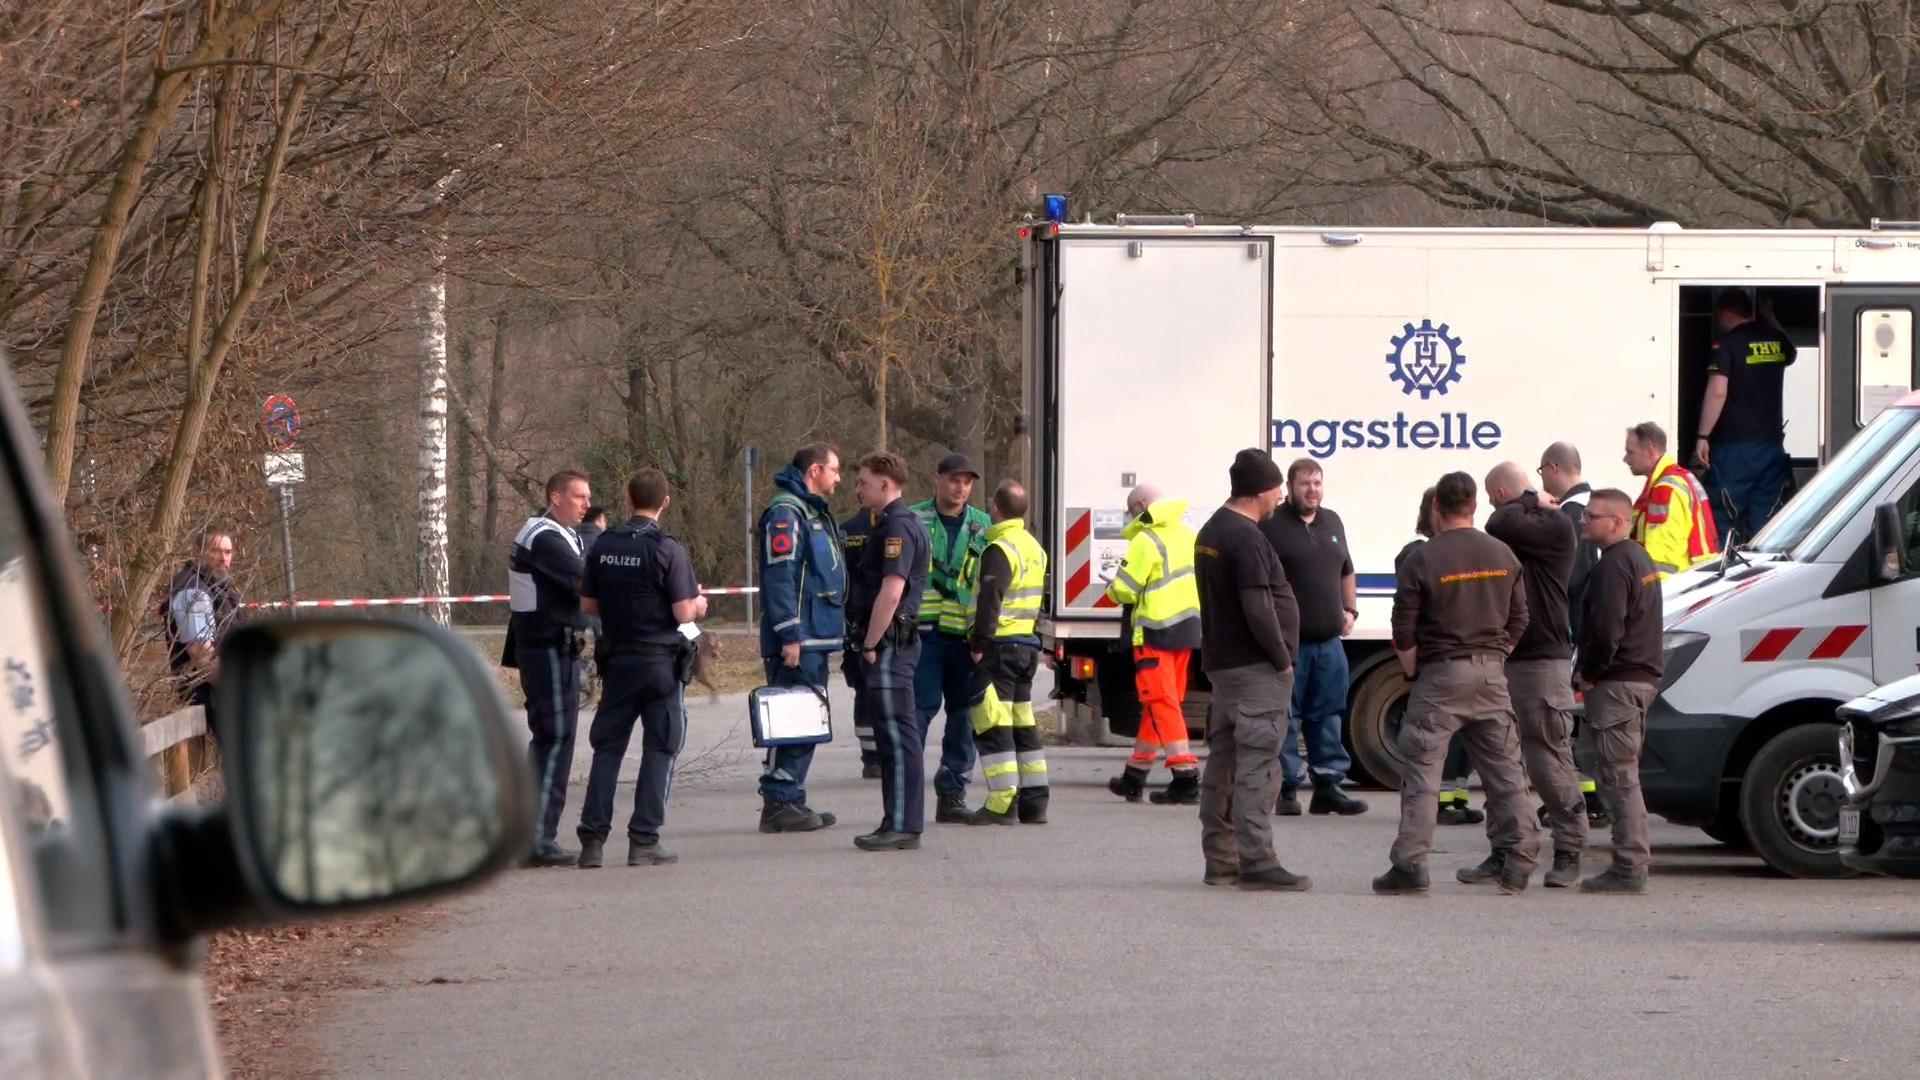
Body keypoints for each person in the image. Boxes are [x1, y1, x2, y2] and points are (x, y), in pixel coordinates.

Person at [1373, 471, 1541, 896]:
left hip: (1441, 674)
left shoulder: (1423, 558)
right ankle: (1520, 859)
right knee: (1506, 771)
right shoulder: (1503, 553)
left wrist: (1412, 667)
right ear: (1474, 506)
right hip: (1491, 673)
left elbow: (1403, 626)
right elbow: (1520, 617)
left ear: (1436, 507)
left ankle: (1411, 864)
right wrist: (1499, 653)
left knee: (1423, 772)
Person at [574, 469, 705, 868]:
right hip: (659, 662)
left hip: (617, 661)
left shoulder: (604, 544)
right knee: (660, 747)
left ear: (628, 499)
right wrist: (699, 605)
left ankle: (592, 841)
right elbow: (683, 612)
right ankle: (644, 839)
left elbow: (588, 604)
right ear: (665, 502)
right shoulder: (667, 548)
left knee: (608, 749)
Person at [1194, 449, 1312, 893]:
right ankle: (1258, 860)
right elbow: (1259, 607)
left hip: (1225, 666)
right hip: (1255, 669)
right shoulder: (1246, 538)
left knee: (1224, 766)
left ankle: (1221, 859)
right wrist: (1281, 659)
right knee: (1258, 768)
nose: (1280, 497)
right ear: (1261, 490)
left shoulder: (1212, 530)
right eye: (1277, 489)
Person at [1477, 462, 1587, 889]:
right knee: (1500, 759)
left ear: (1502, 494)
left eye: (1494, 498)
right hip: (1507, 656)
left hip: (1542, 659)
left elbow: (1498, 521)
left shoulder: (1555, 524)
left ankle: (1569, 848)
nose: (1492, 508)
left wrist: (1528, 499)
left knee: (1547, 758)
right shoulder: (1521, 526)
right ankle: (1505, 849)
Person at [1260, 459, 1366, 817]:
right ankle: (1287, 788)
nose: (1312, 490)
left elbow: (1346, 570)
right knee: (1287, 718)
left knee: (1328, 715)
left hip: (1329, 644)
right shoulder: (1271, 525)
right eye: (1305, 483)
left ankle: (1328, 787)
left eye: (1317, 483)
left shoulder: (1332, 521)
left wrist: (1350, 610)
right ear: (1290, 487)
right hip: (1289, 644)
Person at [1574, 489, 1666, 895]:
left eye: (1591, 516)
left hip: (1617, 682)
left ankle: (1629, 865)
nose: (1583, 521)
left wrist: (1588, 674)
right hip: (1638, 679)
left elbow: (1606, 630)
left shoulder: (1613, 565)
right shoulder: (1639, 559)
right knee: (1619, 771)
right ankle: (1630, 861)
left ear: (1616, 522)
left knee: (1618, 775)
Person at [755, 443, 848, 833]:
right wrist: (789, 633)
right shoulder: (786, 514)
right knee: (794, 720)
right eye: (834, 470)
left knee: (806, 719)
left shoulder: (811, 512)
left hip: (815, 635)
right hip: (799, 639)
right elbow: (781, 577)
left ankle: (791, 797)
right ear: (815, 470)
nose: (839, 478)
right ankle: (780, 802)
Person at [504, 469, 594, 866]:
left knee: (551, 739)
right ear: (556, 497)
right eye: (579, 496)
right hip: (547, 647)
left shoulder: (559, 533)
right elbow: (586, 583)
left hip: (549, 646)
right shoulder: (545, 538)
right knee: (554, 738)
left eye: (587, 496)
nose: (586, 504)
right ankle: (537, 840)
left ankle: (533, 834)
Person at [848, 452, 932, 852]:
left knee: (897, 737)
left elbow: (892, 592)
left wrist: (870, 641)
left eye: (864, 482)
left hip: (889, 645)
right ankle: (896, 820)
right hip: (893, 643)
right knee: (892, 735)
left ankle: (902, 824)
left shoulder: (897, 527)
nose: (858, 489)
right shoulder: (895, 524)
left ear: (885, 484)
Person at [1103, 484, 1204, 805]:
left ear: (1142, 505)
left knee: (1161, 701)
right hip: (1187, 631)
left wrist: (1112, 589)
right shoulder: (1188, 535)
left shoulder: (1146, 540)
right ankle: (1134, 775)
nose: (1131, 516)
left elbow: (1125, 589)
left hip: (1155, 633)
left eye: (1131, 510)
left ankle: (1185, 777)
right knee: (1159, 703)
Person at [959, 481, 1050, 825]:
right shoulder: (1034, 548)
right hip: (1025, 646)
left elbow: (990, 600)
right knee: (1023, 724)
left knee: (993, 724)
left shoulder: (999, 549)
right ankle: (1035, 802)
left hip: (999, 647)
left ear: (995, 508)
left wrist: (978, 644)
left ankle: (1001, 803)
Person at [911, 454, 993, 824]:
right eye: (954, 480)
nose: (960, 488)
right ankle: (907, 794)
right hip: (924, 636)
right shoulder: (914, 519)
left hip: (965, 639)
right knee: (917, 714)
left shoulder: (984, 525)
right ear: (937, 478)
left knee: (963, 717)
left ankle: (952, 794)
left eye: (967, 482)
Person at [1395, 490, 1481, 827]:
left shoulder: (1462, 553)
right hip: (1434, 655)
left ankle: (1455, 797)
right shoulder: (1415, 554)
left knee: (1462, 735)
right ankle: (1437, 803)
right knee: (1434, 736)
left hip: (1455, 656)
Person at [1538, 441, 1608, 826]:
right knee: (1580, 718)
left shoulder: (1570, 516)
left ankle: (1580, 801)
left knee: (1567, 719)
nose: (1542, 480)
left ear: (1553, 468)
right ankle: (1587, 797)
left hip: (1574, 632)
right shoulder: (1591, 509)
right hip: (1588, 632)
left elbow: (1570, 578)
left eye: (1542, 472)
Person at [1697, 289, 1796, 544]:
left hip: (1734, 448)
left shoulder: (1726, 344)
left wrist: (1703, 436)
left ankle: (1724, 567)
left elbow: (1717, 391)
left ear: (1722, 313)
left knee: (1723, 519)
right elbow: (1791, 353)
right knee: (1765, 522)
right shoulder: (1776, 340)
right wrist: (1769, 317)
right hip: (1771, 445)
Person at [164, 528, 241, 740]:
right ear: (197, 550)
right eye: (215, 550)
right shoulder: (193, 591)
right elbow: (201, 654)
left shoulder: (215, 586)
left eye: (228, 552)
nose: (223, 558)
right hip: (211, 698)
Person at [1623, 421, 1719, 579]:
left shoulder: (1665, 489)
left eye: (1630, 452)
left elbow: (1663, 556)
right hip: (1694, 575)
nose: (1625, 459)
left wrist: (1652, 588)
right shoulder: (1679, 478)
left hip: (1674, 584)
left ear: (1649, 450)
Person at [841, 503, 883, 779]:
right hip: (887, 620)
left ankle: (871, 757)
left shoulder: (844, 531)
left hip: (853, 621)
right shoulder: (900, 525)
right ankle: (885, 753)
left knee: (864, 690)